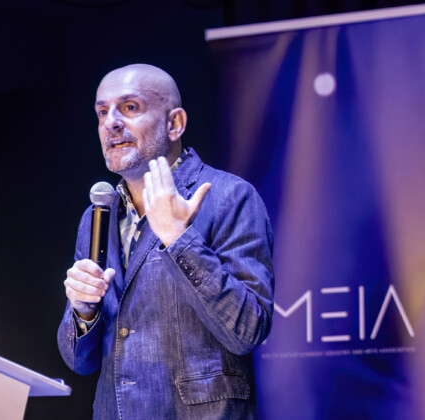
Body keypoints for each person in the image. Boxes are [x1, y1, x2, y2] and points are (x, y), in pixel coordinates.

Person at [57, 63, 274, 419]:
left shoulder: (229, 196)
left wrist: (179, 238)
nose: (111, 123)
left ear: (175, 124)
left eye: (130, 107)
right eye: (102, 112)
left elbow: (248, 330)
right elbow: (80, 361)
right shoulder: (97, 216)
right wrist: (83, 311)